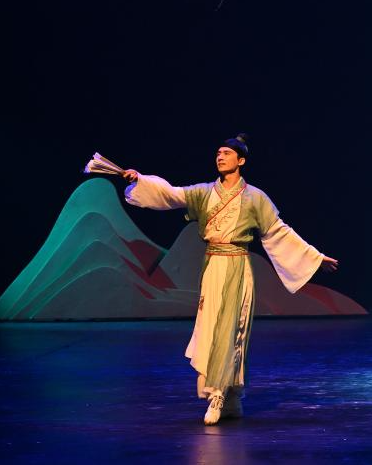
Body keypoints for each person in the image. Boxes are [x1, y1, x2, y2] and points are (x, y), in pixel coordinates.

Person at [122, 134, 338, 424]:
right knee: (212, 327)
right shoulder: (204, 192)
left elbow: (278, 231)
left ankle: (222, 395)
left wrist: (314, 256)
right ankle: (229, 396)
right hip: (213, 266)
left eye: (226, 153)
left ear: (241, 160)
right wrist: (141, 180)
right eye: (218, 153)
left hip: (238, 265)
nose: (220, 157)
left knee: (234, 330)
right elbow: (172, 194)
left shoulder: (255, 197)